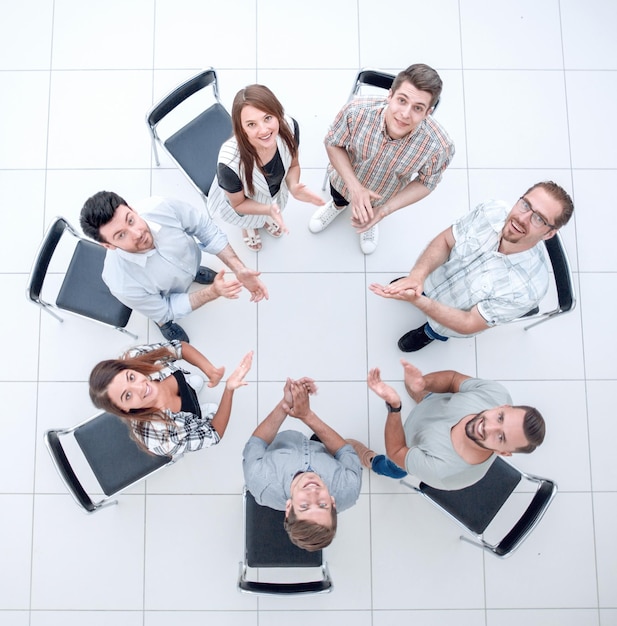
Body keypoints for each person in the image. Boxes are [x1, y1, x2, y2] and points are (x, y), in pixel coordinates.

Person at [369, 180, 575, 351]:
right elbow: (446, 241)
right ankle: (420, 289)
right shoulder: (492, 211)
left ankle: (428, 333)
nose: (521, 219)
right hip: (434, 280)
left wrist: (420, 302)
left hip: (451, 319)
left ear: (549, 234)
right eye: (526, 205)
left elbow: (468, 322)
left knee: (438, 328)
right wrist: (417, 276)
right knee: (418, 285)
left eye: (538, 219)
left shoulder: (528, 291)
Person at [80, 191, 268, 343]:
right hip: (160, 301)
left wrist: (238, 268)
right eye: (121, 235)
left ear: (132, 209)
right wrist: (212, 292)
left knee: (189, 270)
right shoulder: (121, 283)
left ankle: (193, 273)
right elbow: (165, 309)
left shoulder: (160, 206)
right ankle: (164, 326)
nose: (137, 233)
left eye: (130, 220)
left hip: (189, 262)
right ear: (109, 246)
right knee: (162, 316)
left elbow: (203, 228)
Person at [309, 63, 454, 254]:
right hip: (343, 180)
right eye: (402, 100)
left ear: (428, 112)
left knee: (373, 211)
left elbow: (427, 182)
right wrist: (355, 188)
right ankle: (337, 205)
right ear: (390, 95)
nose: (405, 114)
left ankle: (372, 221)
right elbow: (333, 143)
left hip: (385, 195)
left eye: (418, 108)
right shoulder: (356, 112)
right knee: (339, 196)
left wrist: (384, 211)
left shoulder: (439, 146)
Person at [347, 360, 545, 490]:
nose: (487, 427)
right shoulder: (495, 394)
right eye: (500, 418)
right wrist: (423, 384)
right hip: (433, 403)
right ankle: (421, 394)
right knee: (430, 395)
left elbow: (397, 450)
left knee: (391, 466)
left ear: (503, 453)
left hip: (408, 447)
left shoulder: (445, 473)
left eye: (501, 437)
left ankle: (369, 459)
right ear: (503, 406)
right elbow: (452, 380)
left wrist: (395, 408)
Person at [242, 378, 362, 551]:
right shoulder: (349, 488)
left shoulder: (261, 480)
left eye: (304, 506)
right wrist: (307, 416)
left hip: (284, 442)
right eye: (323, 505)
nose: (313, 492)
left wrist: (286, 404)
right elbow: (344, 452)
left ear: (289, 506)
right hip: (321, 449)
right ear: (334, 503)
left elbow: (257, 444)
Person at [207, 84, 324, 251]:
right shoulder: (229, 165)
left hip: (273, 195)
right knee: (248, 219)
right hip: (243, 202)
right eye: (251, 124)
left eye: (268, 117)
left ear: (277, 113)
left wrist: (293, 186)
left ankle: (265, 217)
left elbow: (293, 165)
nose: (264, 130)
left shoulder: (289, 127)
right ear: (241, 128)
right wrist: (268, 209)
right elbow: (238, 204)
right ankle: (249, 227)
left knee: (268, 213)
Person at [89, 340, 253, 458]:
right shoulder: (164, 438)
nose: (141, 387)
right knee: (197, 417)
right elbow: (214, 434)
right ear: (124, 410)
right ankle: (200, 413)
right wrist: (229, 389)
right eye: (128, 395)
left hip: (182, 389)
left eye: (131, 377)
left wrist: (210, 370)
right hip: (184, 421)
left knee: (190, 386)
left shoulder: (135, 358)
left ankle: (191, 389)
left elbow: (179, 348)